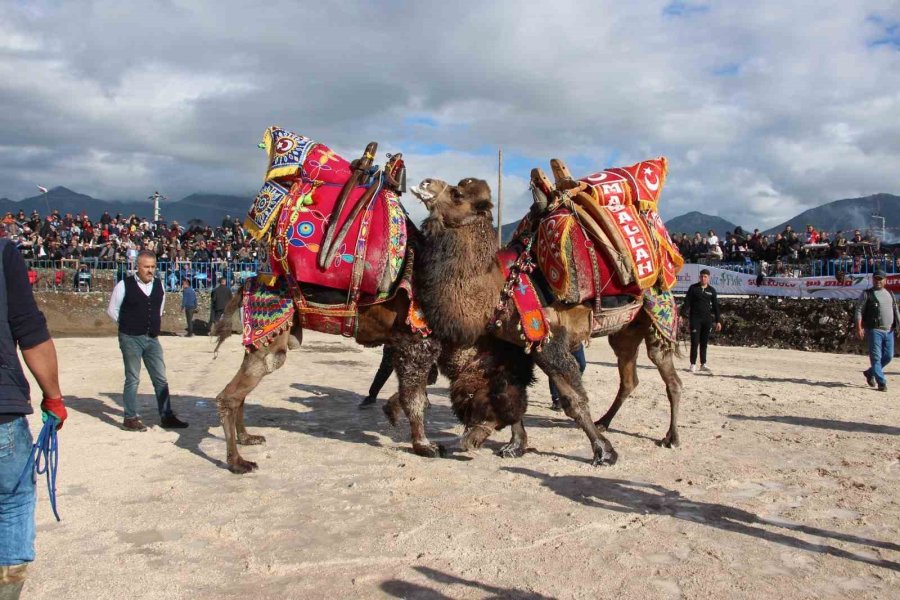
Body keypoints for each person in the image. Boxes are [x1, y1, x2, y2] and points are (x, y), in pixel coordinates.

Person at [0, 235, 66, 600]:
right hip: (1, 411)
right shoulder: (3, 253)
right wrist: (53, 397)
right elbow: (29, 330)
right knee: (11, 501)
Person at [107, 250, 188, 431]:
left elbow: (158, 310)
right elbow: (113, 311)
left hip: (152, 338)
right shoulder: (123, 285)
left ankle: (166, 415)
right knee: (133, 378)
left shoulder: (159, 285)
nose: (150, 270)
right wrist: (129, 324)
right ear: (138, 267)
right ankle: (130, 418)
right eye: (146, 267)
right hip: (130, 338)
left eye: (152, 267)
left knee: (160, 378)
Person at [855, 269, 899, 392]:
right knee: (876, 357)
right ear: (872, 279)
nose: (878, 281)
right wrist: (859, 327)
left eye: (880, 279)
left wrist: (898, 326)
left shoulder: (889, 293)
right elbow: (859, 311)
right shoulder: (867, 294)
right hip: (874, 330)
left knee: (888, 356)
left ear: (886, 280)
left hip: (889, 331)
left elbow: (895, 310)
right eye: (876, 278)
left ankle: (870, 373)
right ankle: (881, 382)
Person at [359, 346, 439, 408]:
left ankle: (423, 396)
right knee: (385, 369)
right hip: (393, 340)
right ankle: (372, 396)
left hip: (412, 340)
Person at [682, 268, 722, 373]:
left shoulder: (712, 290)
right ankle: (693, 364)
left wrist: (718, 321)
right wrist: (682, 314)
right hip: (695, 319)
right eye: (701, 276)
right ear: (699, 277)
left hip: (707, 320)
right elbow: (687, 302)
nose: (703, 278)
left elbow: (716, 306)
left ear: (709, 278)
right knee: (695, 342)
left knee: (704, 343)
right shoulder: (693, 288)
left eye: (705, 277)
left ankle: (703, 364)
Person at [550, 344, 586, 411]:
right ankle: (556, 399)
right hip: (558, 342)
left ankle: (572, 390)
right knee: (555, 368)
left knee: (582, 365)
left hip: (575, 341)